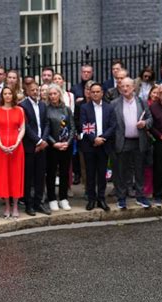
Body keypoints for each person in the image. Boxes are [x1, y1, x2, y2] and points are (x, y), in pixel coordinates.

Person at [112, 78, 153, 209]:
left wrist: (145, 123)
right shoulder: (114, 104)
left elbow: (150, 118)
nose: (125, 88)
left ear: (133, 87)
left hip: (139, 141)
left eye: (128, 86)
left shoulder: (142, 102)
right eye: (122, 86)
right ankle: (121, 197)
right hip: (123, 141)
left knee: (139, 170)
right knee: (121, 171)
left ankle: (141, 196)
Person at [79, 82, 116, 211]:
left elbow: (112, 126)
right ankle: (91, 199)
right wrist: (94, 138)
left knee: (102, 174)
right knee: (90, 174)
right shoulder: (84, 108)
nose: (95, 94)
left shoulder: (109, 108)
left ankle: (101, 198)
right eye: (92, 92)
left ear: (102, 93)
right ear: (89, 93)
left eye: (97, 91)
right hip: (90, 145)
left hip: (104, 145)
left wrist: (102, 138)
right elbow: (83, 125)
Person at [0, 86, 25, 219]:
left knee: (15, 176)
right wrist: (0, 144)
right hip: (1, 148)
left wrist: (16, 143)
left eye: (9, 93)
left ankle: (15, 205)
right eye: (5, 94)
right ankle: (6, 206)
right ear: (2, 96)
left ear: (13, 95)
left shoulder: (20, 110)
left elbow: (22, 128)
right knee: (3, 176)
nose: (7, 96)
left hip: (16, 147)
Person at [20, 82, 51, 216]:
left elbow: (46, 123)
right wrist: (37, 141)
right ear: (27, 91)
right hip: (29, 147)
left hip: (42, 147)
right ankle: (28, 204)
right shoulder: (22, 106)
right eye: (32, 90)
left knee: (40, 176)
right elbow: (25, 127)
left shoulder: (43, 105)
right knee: (28, 177)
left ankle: (39, 203)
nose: (35, 92)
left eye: (36, 90)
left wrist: (43, 140)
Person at [45, 84, 76, 211]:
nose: (53, 96)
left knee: (64, 173)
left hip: (65, 146)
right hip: (53, 147)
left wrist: (67, 143)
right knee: (51, 173)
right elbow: (46, 129)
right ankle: (52, 198)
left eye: (55, 93)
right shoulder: (46, 110)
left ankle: (63, 198)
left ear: (59, 94)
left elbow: (72, 127)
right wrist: (54, 143)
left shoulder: (67, 109)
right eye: (50, 94)